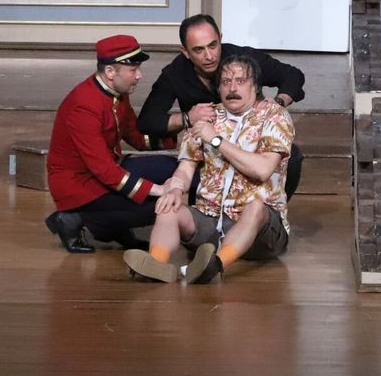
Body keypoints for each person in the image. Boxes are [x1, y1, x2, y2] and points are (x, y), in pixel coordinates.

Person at [123, 53, 294, 284]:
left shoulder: (274, 116)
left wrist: (216, 140)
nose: (232, 88)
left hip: (260, 232)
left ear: (255, 86)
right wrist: (175, 189)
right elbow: (185, 168)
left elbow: (262, 169)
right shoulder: (207, 117)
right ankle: (156, 264)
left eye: (240, 81)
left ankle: (215, 265)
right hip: (210, 219)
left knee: (255, 207)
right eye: (226, 82)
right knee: (168, 206)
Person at [136, 14, 306, 196]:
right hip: (209, 150)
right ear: (185, 52)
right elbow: (147, 121)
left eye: (213, 45)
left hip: (253, 142)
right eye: (198, 50)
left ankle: (273, 209)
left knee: (292, 157)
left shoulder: (244, 59)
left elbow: (292, 76)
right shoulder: (175, 73)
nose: (209, 56)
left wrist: (277, 103)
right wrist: (186, 118)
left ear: (220, 39)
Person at [43, 35, 181, 254]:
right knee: (157, 207)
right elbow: (103, 170)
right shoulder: (84, 106)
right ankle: (76, 217)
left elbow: (137, 137)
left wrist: (181, 131)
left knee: (170, 167)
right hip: (80, 186)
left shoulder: (117, 93)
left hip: (105, 172)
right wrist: (159, 190)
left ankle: (110, 223)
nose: (139, 75)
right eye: (133, 69)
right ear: (109, 72)